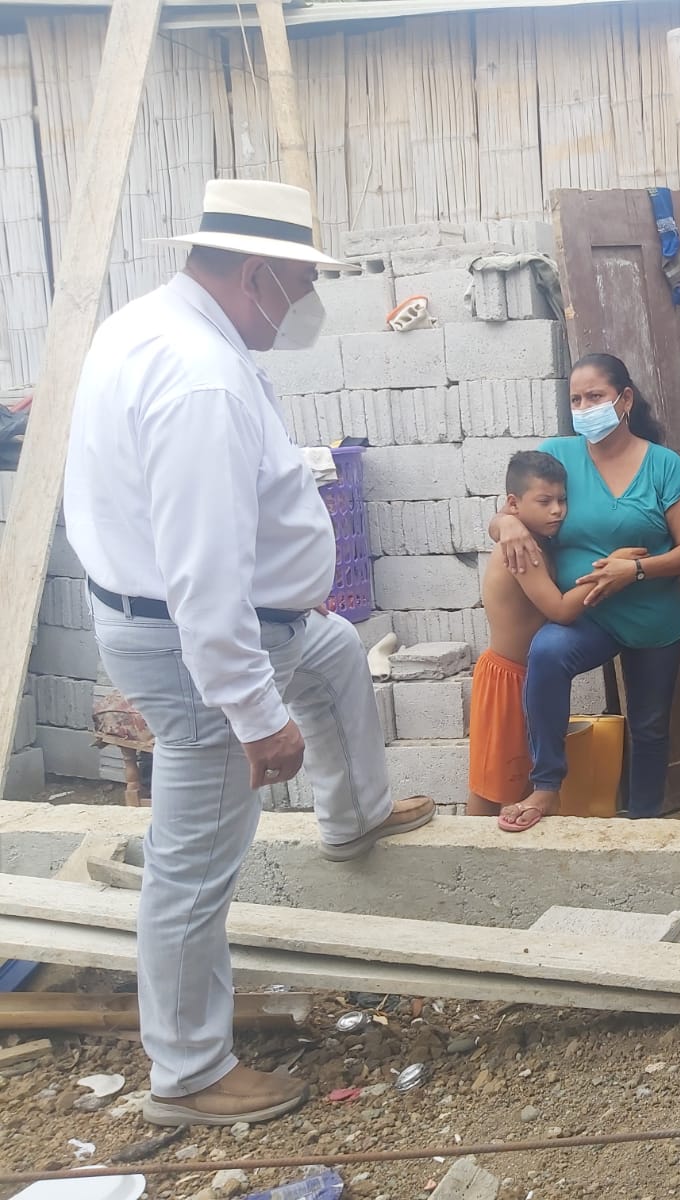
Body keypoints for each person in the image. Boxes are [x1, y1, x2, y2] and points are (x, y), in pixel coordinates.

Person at [62, 179, 435, 1127]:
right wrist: (254, 714)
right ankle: (189, 1072)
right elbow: (203, 576)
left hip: (239, 622)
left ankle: (354, 815)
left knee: (337, 655)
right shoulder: (201, 378)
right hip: (196, 640)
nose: (305, 304)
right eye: (301, 285)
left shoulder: (152, 326)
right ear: (259, 274)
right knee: (194, 862)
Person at [490, 354, 680, 828]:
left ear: (624, 400)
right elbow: (517, 507)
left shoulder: (664, 466)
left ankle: (643, 822)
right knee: (548, 653)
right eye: (576, 400)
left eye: (595, 397)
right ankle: (547, 785)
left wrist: (637, 571)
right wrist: (505, 523)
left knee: (649, 725)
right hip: (586, 612)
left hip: (650, 617)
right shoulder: (560, 455)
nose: (584, 408)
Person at [467, 450, 644, 822]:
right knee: (492, 787)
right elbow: (560, 610)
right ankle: (465, 851)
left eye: (562, 500)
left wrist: (503, 521)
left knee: (516, 783)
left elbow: (501, 520)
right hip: (507, 680)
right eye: (544, 501)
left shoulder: (536, 538)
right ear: (514, 504)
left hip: (526, 676)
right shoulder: (521, 549)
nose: (557, 511)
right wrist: (609, 572)